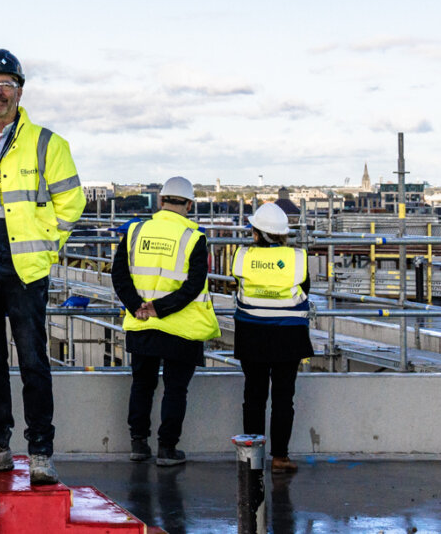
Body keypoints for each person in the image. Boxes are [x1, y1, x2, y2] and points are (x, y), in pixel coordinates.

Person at [0, 49, 84, 487]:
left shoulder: (48, 143)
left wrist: (45, 246)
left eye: (6, 84)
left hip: (23, 267)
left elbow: (72, 203)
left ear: (20, 91)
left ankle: (41, 450)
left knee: (32, 361)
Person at [114, 176, 218, 467]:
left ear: (160, 201)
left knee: (142, 384)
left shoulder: (135, 232)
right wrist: (160, 308)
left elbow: (119, 275)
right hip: (180, 327)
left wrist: (138, 306)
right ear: (189, 205)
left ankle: (138, 443)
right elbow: (194, 285)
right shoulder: (194, 237)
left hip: (142, 322)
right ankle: (167, 449)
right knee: (175, 389)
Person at [232, 201, 312, 474]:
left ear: (256, 233)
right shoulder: (297, 258)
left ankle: (252, 458)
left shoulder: (243, 256)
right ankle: (280, 458)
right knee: (282, 397)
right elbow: (305, 289)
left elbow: (238, 286)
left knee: (253, 396)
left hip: (251, 332)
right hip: (289, 335)